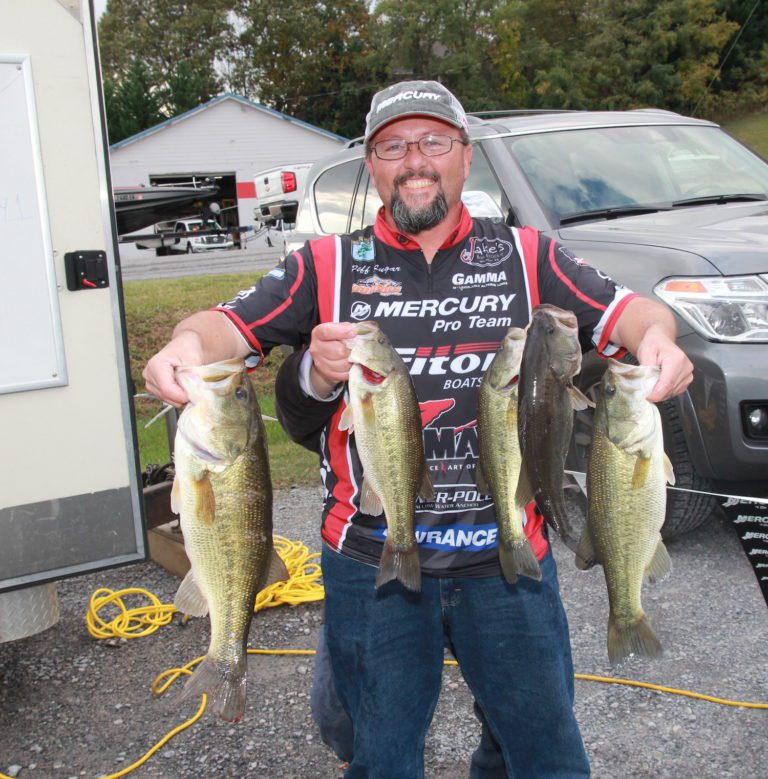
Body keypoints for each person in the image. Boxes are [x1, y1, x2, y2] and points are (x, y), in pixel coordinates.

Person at [144, 80, 693, 778]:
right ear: (370, 165)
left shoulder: (530, 256)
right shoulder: (324, 264)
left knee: (544, 753)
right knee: (378, 755)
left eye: (434, 141)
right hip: (370, 559)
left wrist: (661, 344)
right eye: (393, 145)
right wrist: (184, 349)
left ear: (465, 157)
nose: (416, 160)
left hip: (507, 560)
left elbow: (632, 313)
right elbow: (222, 326)